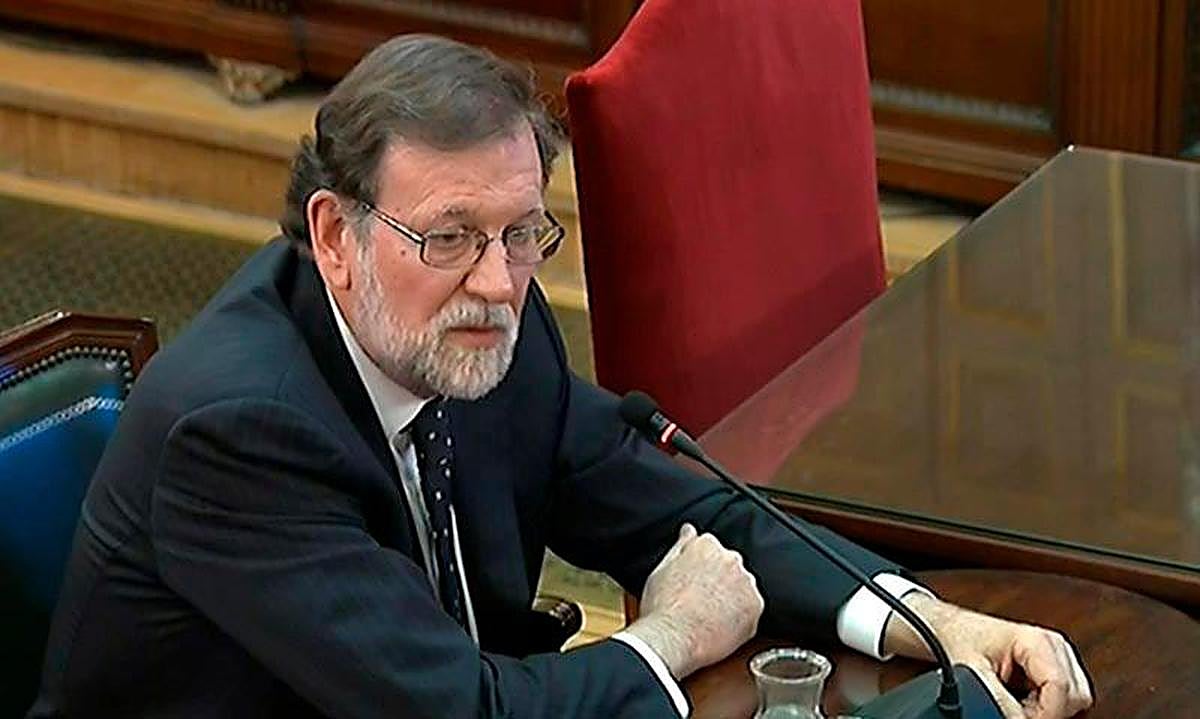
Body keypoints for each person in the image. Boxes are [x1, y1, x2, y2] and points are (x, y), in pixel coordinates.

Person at [29, 35, 1092, 719]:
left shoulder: (484, 324)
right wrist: (667, 635)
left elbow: (672, 505)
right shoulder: (237, 431)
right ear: (337, 236)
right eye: (449, 237)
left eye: (522, 233)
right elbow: (462, 711)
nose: (498, 283)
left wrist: (930, 621)